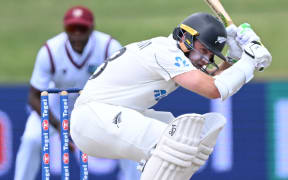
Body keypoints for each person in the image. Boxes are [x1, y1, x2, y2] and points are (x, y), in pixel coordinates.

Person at [70, 12, 272, 180]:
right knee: (175, 142)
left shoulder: (175, 55)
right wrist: (249, 62)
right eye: (204, 50)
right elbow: (213, 89)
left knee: (190, 144)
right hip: (93, 118)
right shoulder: (164, 51)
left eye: (210, 56)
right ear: (186, 38)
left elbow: (211, 79)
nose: (206, 59)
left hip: (108, 117)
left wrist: (234, 58)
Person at [14, 6, 126, 180]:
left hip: (96, 104)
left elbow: (125, 86)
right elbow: (34, 96)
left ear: (91, 28)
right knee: (32, 139)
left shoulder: (109, 47)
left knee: (128, 138)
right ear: (65, 29)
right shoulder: (50, 50)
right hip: (58, 102)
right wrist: (59, 126)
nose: (77, 34)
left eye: (82, 29)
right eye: (72, 29)